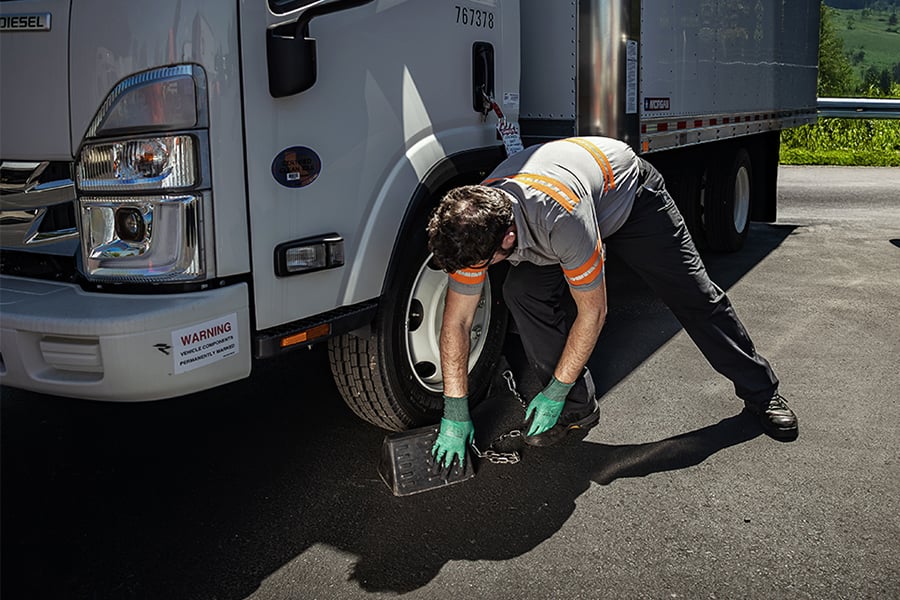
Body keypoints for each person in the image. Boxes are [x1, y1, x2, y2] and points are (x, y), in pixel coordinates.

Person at [426, 136, 798, 469]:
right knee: (521, 292)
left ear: (507, 240)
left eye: (484, 264)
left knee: (695, 296)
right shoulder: (472, 223)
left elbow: (594, 311)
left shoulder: (562, 218)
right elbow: (456, 322)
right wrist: (455, 413)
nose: (476, 273)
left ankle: (761, 392)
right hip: (558, 211)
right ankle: (576, 407)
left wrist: (552, 390)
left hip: (632, 200)